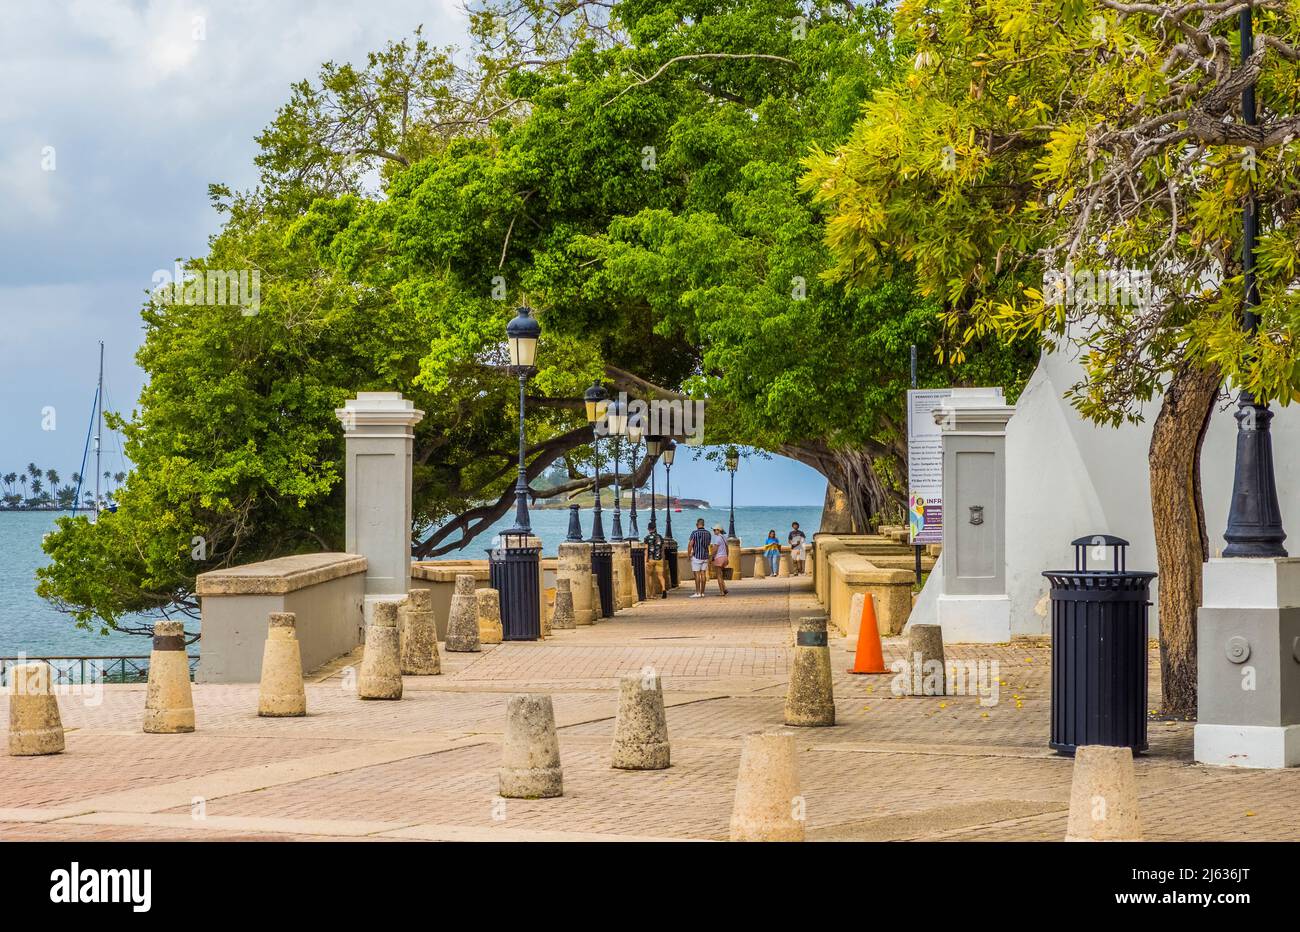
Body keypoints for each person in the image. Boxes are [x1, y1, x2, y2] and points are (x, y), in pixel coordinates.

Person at [687, 518, 712, 598]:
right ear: (703, 524)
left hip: (697, 556)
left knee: (697, 574)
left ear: (697, 524)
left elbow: (690, 544)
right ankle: (702, 592)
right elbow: (708, 544)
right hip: (705, 556)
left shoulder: (694, 533)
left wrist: (688, 555)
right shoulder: (708, 533)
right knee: (703, 573)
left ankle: (697, 593)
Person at [709, 523, 729, 596]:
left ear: (719, 530)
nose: (713, 532)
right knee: (721, 574)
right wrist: (727, 557)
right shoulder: (724, 538)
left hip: (719, 558)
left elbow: (715, 549)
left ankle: (721, 592)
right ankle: (725, 588)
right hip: (724, 557)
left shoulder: (717, 538)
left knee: (719, 576)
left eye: (715, 530)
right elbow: (727, 549)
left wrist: (711, 557)